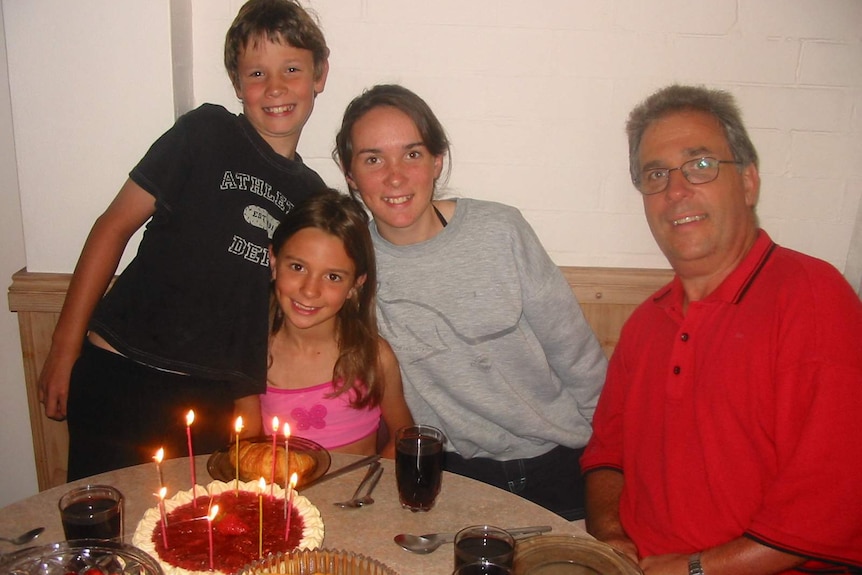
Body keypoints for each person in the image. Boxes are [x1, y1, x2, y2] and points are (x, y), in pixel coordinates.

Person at [37, 0, 330, 480]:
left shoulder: (311, 196)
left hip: (214, 400)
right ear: (237, 85)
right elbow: (113, 227)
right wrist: (63, 349)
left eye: (292, 69)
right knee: (105, 547)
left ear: (319, 75)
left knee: (201, 545)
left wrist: (252, 417)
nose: (275, 87)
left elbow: (265, 314)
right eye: (256, 74)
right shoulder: (205, 132)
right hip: (121, 373)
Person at [581, 84, 862, 574]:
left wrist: (696, 569)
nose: (676, 190)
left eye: (701, 165)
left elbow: (831, 504)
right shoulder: (646, 324)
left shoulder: (813, 297)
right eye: (656, 174)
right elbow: (608, 456)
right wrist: (610, 537)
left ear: (749, 183)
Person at [333, 84, 608, 521]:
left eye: (412, 154)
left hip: (558, 461)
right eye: (372, 159)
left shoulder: (500, 230)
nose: (395, 176)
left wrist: (614, 461)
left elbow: (577, 357)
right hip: (452, 479)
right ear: (350, 177)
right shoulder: (349, 263)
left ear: (437, 160)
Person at [257, 189, 414, 458]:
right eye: (297, 267)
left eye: (332, 277)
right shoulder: (251, 351)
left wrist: (369, 491)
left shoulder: (375, 357)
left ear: (356, 284)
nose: (310, 290)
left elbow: (404, 436)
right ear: (273, 261)